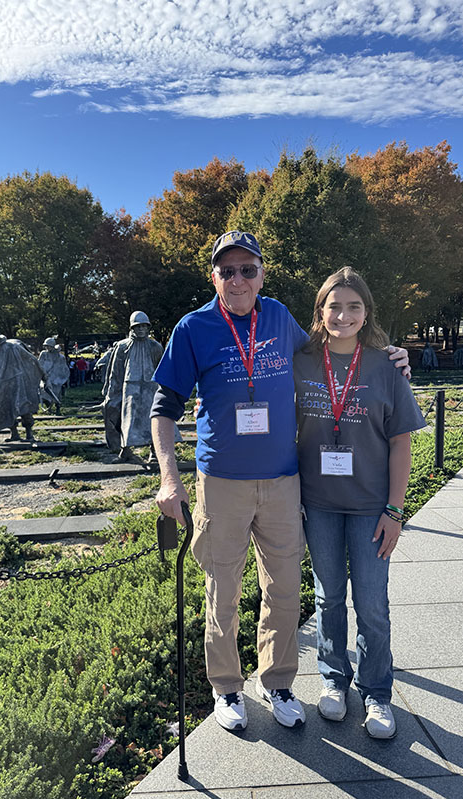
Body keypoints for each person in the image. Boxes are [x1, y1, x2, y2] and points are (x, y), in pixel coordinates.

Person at [152, 230, 410, 732]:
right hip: (222, 482)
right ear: (214, 277)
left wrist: (390, 354)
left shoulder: (279, 318)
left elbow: (335, 347)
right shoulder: (193, 327)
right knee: (222, 590)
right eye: (227, 270)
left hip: (283, 481)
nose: (238, 279)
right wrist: (168, 478)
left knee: (285, 589)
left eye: (248, 269)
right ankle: (226, 688)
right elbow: (164, 407)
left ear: (262, 273)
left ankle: (278, 681)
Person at [294, 267, 425, 739]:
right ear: (320, 311)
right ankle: (333, 679)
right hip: (319, 504)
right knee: (328, 597)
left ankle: (377, 693)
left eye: (353, 306)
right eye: (334, 306)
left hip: (371, 507)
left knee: (371, 604)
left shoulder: (386, 367)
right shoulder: (301, 360)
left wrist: (395, 510)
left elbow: (402, 443)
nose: (343, 315)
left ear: (366, 312)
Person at [105, 311, 177, 461]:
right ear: (132, 328)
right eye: (138, 327)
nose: (141, 330)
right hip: (130, 387)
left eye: (144, 326)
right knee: (128, 419)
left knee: (153, 417)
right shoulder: (122, 346)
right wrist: (112, 392)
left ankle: (155, 451)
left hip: (151, 387)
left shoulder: (155, 346)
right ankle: (125, 450)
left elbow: (162, 369)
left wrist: (166, 390)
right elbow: (115, 372)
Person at [0, 324, 45, 441]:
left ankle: (29, 434)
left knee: (24, 408)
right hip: (0, 388)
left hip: (17, 384)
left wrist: (43, 376)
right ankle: (14, 434)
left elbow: (31, 359)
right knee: (6, 410)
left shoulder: (12, 347)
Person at [38, 337, 70, 415]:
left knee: (56, 395)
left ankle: (57, 408)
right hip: (46, 378)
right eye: (46, 346)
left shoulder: (60, 357)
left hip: (56, 379)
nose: (47, 347)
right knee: (43, 393)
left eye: (48, 346)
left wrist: (59, 379)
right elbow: (39, 364)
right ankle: (49, 408)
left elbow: (63, 369)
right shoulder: (44, 354)